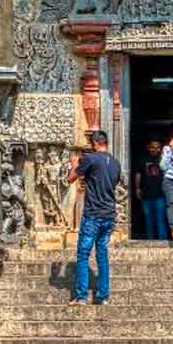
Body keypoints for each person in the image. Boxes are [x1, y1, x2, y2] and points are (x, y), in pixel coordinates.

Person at [67, 129, 121, 305]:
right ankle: (103, 296)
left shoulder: (90, 158)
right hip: (109, 214)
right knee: (102, 254)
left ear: (96, 143)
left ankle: (81, 296)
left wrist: (75, 163)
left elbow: (71, 179)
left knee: (83, 254)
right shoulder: (115, 163)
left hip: (93, 213)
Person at [135, 139, 167, 240]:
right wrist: (137, 188)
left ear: (160, 149)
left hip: (160, 195)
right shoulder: (143, 159)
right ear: (148, 147)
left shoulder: (163, 159)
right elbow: (138, 174)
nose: (155, 149)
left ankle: (163, 242)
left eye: (157, 147)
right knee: (149, 220)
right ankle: (150, 241)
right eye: (153, 147)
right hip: (146, 195)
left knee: (160, 220)